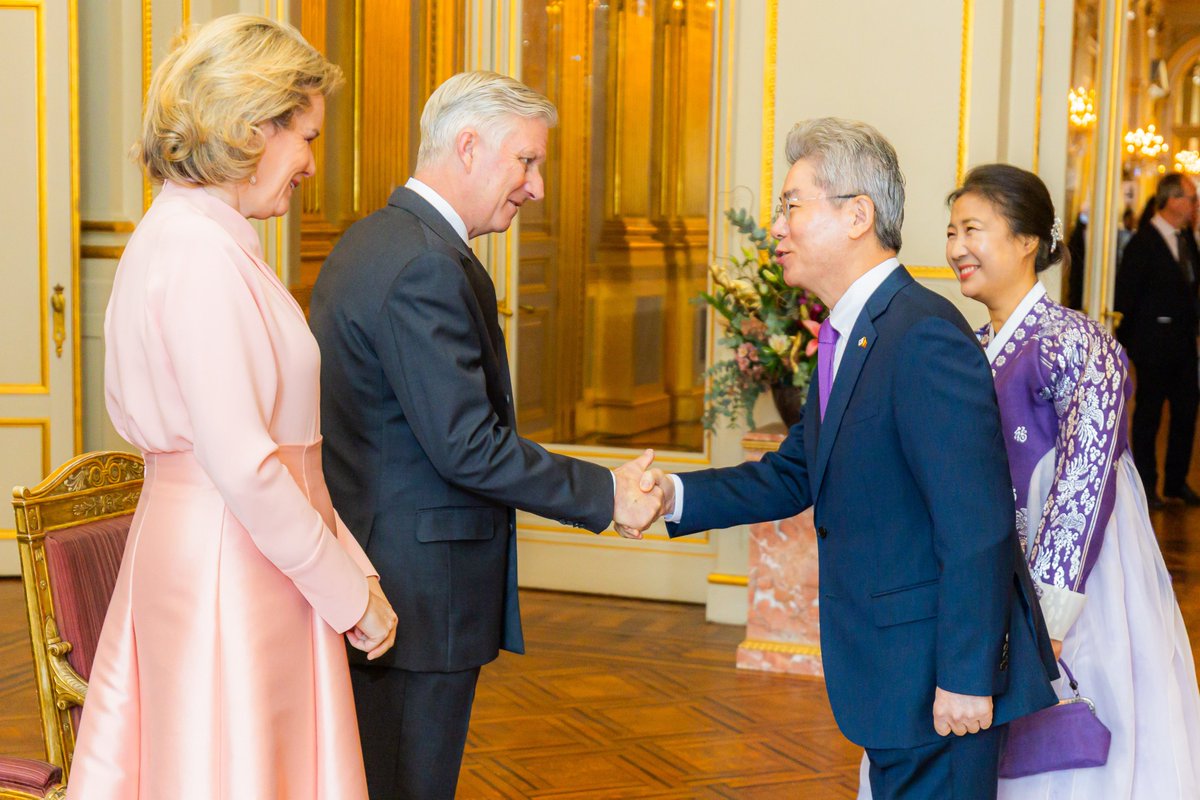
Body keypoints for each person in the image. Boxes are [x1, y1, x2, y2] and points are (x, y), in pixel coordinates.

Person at [639, 118, 1058, 800]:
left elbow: (976, 524)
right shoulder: (852, 332)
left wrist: (965, 674)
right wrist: (670, 496)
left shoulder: (920, 335)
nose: (777, 224)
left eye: (792, 204)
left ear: (857, 214)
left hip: (934, 683)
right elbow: (794, 473)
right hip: (892, 678)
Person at [67, 15, 397, 800]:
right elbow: (248, 468)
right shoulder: (195, 254)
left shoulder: (205, 242)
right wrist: (349, 592)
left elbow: (284, 459)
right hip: (232, 563)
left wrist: (351, 573)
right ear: (253, 126)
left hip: (249, 555)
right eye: (306, 137)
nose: (311, 163)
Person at [309, 71, 663, 800]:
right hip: (416, 593)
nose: (536, 187)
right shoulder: (424, 266)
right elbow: (467, 444)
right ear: (467, 147)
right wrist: (607, 495)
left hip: (387, 575)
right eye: (527, 161)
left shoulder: (372, 240)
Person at [942, 163, 1200, 797]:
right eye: (949, 232)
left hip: (1070, 590)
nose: (954, 249)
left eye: (972, 228)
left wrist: (1047, 622)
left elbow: (1086, 482)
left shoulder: (1080, 344)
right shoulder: (964, 347)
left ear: (1028, 239)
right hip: (984, 582)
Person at [1114, 173, 1200, 508]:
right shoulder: (1143, 242)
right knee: (1149, 418)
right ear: (1172, 200)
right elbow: (1126, 300)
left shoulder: (1186, 239)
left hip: (1183, 346)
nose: (1195, 206)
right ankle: (1147, 487)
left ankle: (1177, 482)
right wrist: (1135, 347)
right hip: (1153, 348)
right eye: (1192, 199)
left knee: (1185, 413)